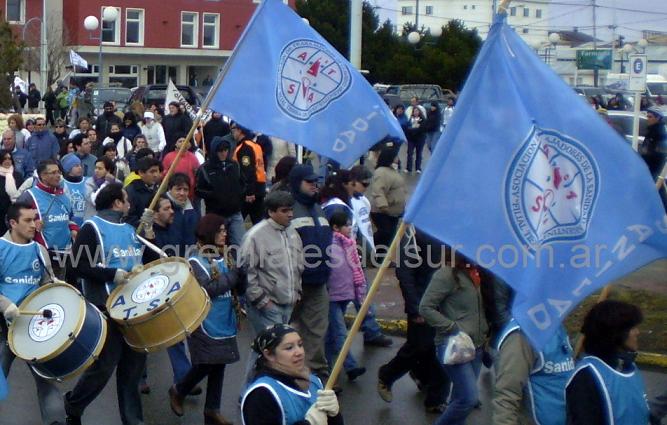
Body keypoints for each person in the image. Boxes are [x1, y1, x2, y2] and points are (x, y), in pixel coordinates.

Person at [64, 183, 149, 425]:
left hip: (134, 307)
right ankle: (74, 405)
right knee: (104, 366)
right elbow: (77, 265)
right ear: (117, 203)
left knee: (133, 369)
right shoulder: (91, 228)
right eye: (126, 199)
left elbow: (149, 257)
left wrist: (150, 231)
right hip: (105, 306)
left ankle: (133, 421)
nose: (130, 204)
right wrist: (112, 274)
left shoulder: (131, 229)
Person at [167, 214, 242, 425]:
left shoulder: (225, 255)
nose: (225, 234)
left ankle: (212, 409)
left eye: (225, 230)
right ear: (209, 233)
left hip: (224, 318)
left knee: (220, 362)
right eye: (220, 231)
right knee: (206, 363)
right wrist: (235, 275)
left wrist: (242, 277)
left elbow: (236, 285)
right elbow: (209, 289)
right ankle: (179, 389)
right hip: (204, 320)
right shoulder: (195, 260)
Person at [0, 202, 66, 425]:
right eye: (27, 220)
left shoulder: (39, 250)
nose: (34, 224)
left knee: (47, 380)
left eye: (34, 219)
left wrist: (54, 286)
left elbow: (45, 282)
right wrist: (5, 305)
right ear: (13, 223)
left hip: (34, 328)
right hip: (4, 329)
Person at [378, 228, 449, 413]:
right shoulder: (414, 232)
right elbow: (405, 272)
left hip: (444, 303)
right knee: (420, 347)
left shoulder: (450, 229)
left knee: (436, 350)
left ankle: (433, 394)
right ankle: (387, 375)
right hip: (423, 303)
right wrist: (415, 307)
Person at [239, 190, 304, 382]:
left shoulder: (292, 233)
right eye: (284, 211)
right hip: (267, 306)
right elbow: (245, 272)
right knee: (267, 350)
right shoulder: (255, 236)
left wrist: (297, 292)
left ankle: (271, 387)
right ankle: (250, 389)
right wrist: (262, 302)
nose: (290, 214)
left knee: (272, 350)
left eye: (291, 210)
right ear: (271, 212)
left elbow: (298, 264)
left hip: (288, 303)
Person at [419, 251, 489, 425]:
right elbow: (425, 307)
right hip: (454, 344)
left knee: (459, 400)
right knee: (468, 398)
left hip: (477, 345)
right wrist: (452, 327)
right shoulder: (446, 274)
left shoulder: (479, 273)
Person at [566, 300, 649, 425]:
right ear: (616, 332)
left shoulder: (630, 367)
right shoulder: (587, 375)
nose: (638, 332)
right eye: (632, 328)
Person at [242, 324, 344, 425]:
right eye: (289, 348)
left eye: (300, 345)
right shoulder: (262, 394)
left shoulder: (314, 381)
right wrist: (308, 423)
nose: (299, 352)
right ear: (269, 354)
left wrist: (334, 415)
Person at [288, 164, 333, 380]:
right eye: (309, 182)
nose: (314, 185)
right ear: (297, 183)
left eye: (316, 181)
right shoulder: (289, 210)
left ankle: (314, 376)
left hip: (319, 281)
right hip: (295, 283)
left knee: (317, 330)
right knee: (285, 330)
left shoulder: (319, 209)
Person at [17, 159, 79, 280]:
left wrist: (73, 228)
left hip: (65, 254)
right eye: (53, 173)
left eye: (59, 172)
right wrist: (31, 224)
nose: (58, 175)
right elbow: (12, 220)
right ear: (43, 176)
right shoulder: (29, 196)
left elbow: (70, 218)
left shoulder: (63, 195)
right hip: (41, 256)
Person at [324, 211, 367, 382]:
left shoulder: (349, 244)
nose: (349, 228)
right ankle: (350, 366)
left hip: (344, 294)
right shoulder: (329, 245)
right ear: (335, 227)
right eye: (346, 225)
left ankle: (326, 366)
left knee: (331, 334)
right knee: (341, 333)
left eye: (350, 225)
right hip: (332, 296)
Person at [196, 137, 247, 248]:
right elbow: (198, 189)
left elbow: (243, 183)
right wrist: (213, 195)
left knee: (241, 245)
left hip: (235, 212)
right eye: (220, 151)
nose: (224, 153)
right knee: (217, 246)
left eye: (226, 150)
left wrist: (239, 195)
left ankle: (236, 259)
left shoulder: (234, 165)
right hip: (216, 215)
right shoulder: (205, 169)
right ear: (214, 151)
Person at [369, 146, 406, 262]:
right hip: (382, 211)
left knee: (389, 236)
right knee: (385, 233)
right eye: (396, 156)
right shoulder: (381, 172)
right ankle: (370, 250)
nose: (397, 158)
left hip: (394, 211)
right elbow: (378, 190)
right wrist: (383, 206)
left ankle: (381, 258)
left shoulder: (392, 170)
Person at [232, 122, 266, 224]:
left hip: (249, 190)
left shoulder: (245, 147)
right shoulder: (255, 145)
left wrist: (249, 192)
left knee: (237, 220)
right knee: (258, 221)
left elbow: (247, 170)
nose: (232, 132)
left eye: (233, 129)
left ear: (239, 131)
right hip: (259, 187)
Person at [125, 156, 161, 227]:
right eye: (152, 172)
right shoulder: (131, 191)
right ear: (141, 172)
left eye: (157, 171)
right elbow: (129, 217)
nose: (156, 175)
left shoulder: (158, 188)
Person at [0, 150, 24, 233]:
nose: (7, 161)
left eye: (9, 159)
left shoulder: (18, 175)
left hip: (15, 211)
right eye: (4, 159)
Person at [640, 107, 667, 180]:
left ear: (658, 118)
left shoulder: (660, 132)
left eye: (650, 117)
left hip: (653, 168)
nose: (647, 119)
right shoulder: (652, 129)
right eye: (647, 116)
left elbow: (660, 153)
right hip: (648, 166)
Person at [61, 155, 87, 227]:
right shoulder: (62, 183)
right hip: (70, 223)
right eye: (76, 166)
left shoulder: (88, 181)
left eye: (80, 165)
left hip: (87, 221)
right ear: (68, 169)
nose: (80, 168)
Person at [405, 105, 426, 173]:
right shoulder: (410, 119)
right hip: (411, 139)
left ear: (419, 112)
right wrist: (413, 129)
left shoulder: (422, 120)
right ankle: (408, 168)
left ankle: (418, 168)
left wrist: (413, 129)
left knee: (419, 153)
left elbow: (422, 129)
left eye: (417, 111)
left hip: (420, 139)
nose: (416, 112)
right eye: (414, 111)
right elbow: (407, 128)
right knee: (409, 153)